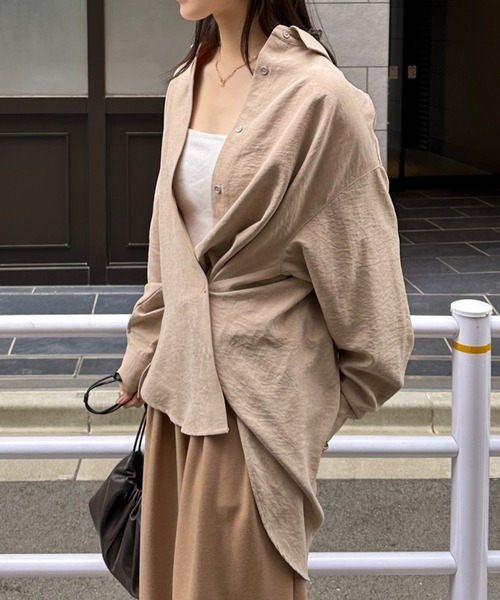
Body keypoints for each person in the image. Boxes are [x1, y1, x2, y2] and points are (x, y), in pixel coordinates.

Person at [115, 1, 414, 598]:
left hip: (258, 412)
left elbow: (374, 298)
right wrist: (144, 351)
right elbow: (167, 245)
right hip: (177, 399)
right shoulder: (184, 83)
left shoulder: (321, 98)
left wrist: (306, 413)